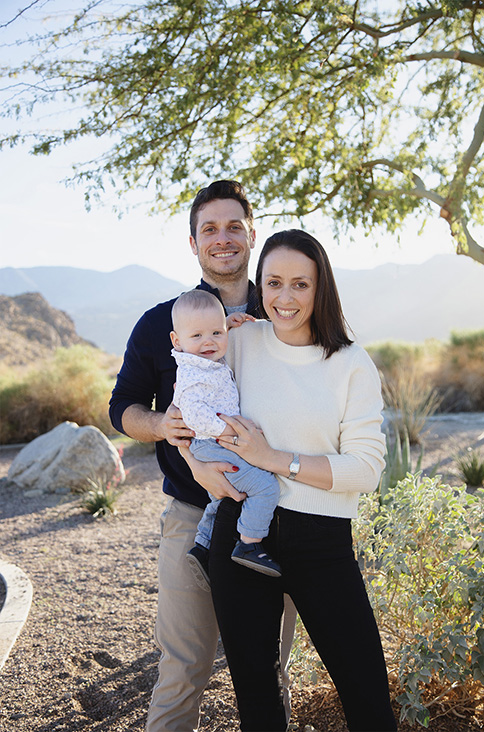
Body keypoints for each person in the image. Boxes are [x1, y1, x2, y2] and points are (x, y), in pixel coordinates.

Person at [178, 229, 396, 731]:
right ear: (260, 285)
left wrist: (274, 458)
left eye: (300, 284)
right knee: (257, 701)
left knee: (367, 695)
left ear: (321, 288)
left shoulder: (350, 364)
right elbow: (187, 404)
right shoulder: (238, 343)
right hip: (241, 540)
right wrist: (196, 464)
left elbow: (366, 469)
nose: (285, 297)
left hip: (323, 541)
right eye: (273, 283)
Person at [109, 180, 296, 732]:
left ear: (252, 235)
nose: (223, 238)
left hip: (276, 519)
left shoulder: (286, 314)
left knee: (267, 673)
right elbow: (122, 408)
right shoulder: (162, 323)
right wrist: (163, 426)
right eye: (209, 229)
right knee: (183, 668)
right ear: (193, 243)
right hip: (193, 517)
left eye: (234, 226)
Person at [169, 289, 281, 587]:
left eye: (216, 333)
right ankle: (249, 543)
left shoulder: (201, 361)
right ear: (176, 341)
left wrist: (226, 326)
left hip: (212, 443)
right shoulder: (193, 376)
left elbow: (210, 335)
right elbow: (195, 417)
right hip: (210, 443)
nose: (209, 342)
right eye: (197, 336)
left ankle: (203, 546)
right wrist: (233, 431)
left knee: (220, 497)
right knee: (265, 485)